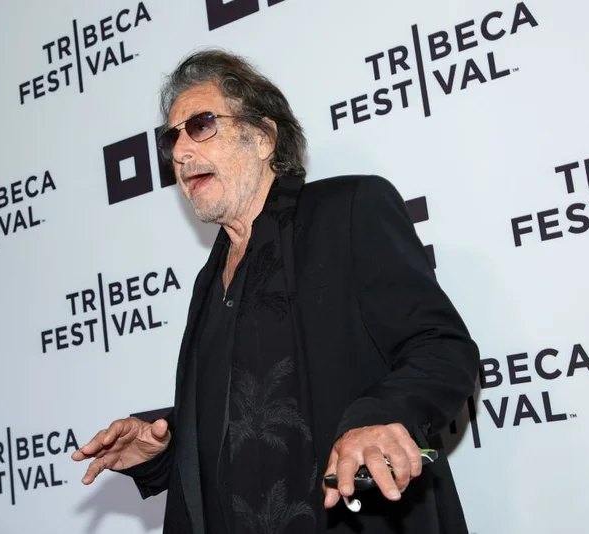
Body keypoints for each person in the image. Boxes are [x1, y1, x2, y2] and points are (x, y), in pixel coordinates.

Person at [72, 48, 480, 534]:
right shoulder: (210, 279)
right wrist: (162, 448)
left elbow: (440, 347)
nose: (179, 152)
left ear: (264, 137)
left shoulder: (347, 211)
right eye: (171, 138)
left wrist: (382, 417)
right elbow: (253, 421)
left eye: (200, 125)